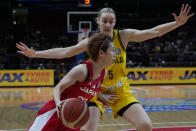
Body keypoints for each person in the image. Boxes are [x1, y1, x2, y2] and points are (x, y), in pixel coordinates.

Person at [17, 4, 194, 131]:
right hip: (96, 94)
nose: (108, 25)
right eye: (104, 22)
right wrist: (36, 54)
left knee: (145, 125)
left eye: (111, 22)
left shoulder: (123, 36)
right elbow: (65, 51)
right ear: (98, 22)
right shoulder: (93, 42)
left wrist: (177, 24)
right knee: (89, 129)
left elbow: (153, 32)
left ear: (115, 22)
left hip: (119, 91)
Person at [28, 33, 115, 131]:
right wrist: (58, 103)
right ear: (101, 53)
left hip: (73, 121)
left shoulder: (104, 74)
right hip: (54, 113)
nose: (115, 54)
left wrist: (102, 97)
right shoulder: (82, 70)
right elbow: (58, 88)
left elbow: (90, 89)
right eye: (112, 50)